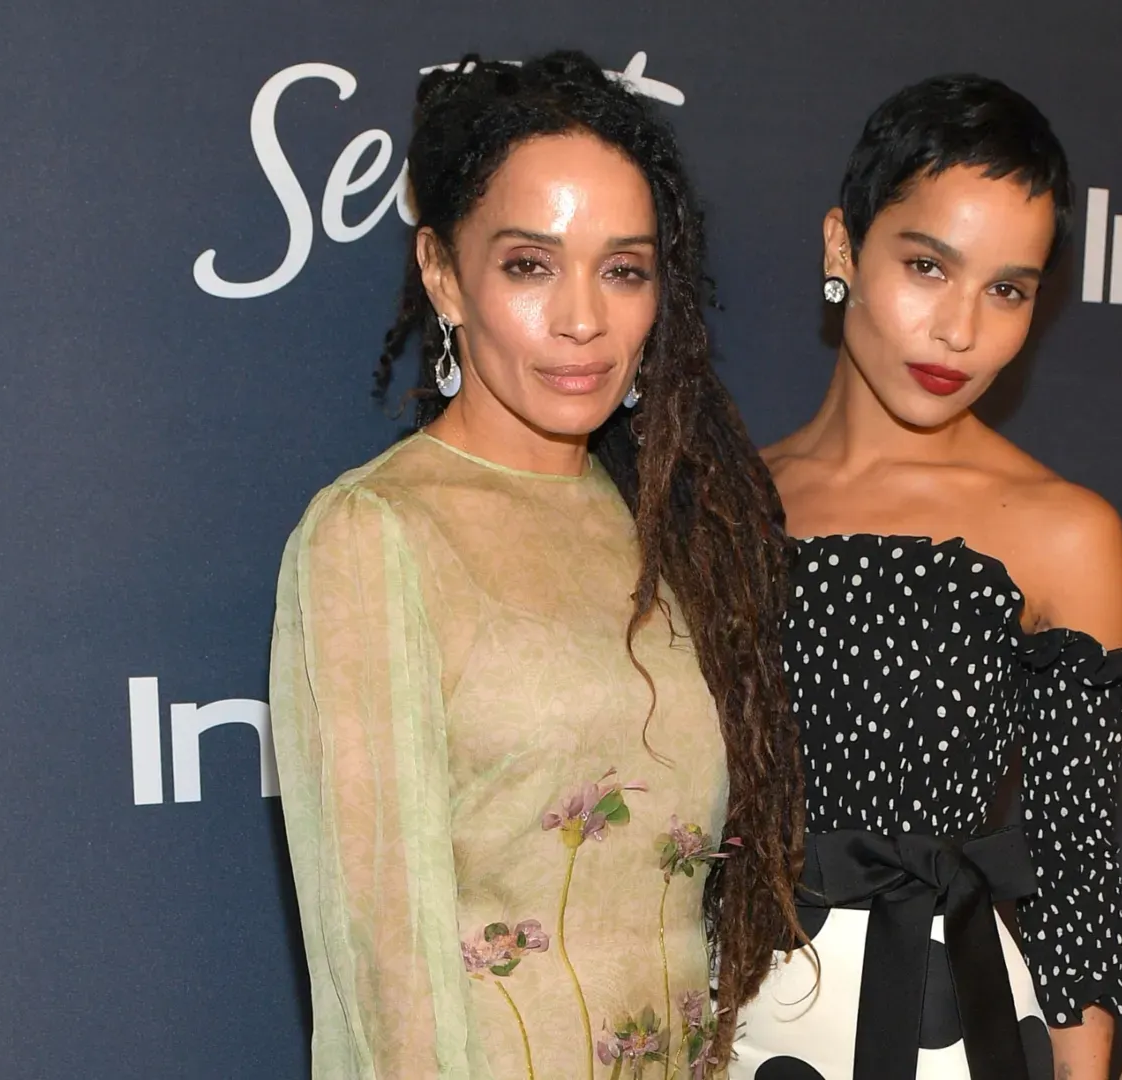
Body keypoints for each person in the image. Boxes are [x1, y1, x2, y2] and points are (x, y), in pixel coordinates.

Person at [270, 52, 805, 1079]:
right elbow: (386, 980)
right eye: (529, 265)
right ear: (442, 273)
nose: (583, 320)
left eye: (624, 269)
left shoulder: (666, 528)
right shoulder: (374, 534)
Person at [734, 76, 1122, 1080]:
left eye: (1007, 289)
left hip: (949, 1024)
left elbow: (1073, 875)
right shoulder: (729, 501)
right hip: (726, 1017)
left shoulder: (1065, 532)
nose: (962, 331)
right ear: (842, 248)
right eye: (929, 266)